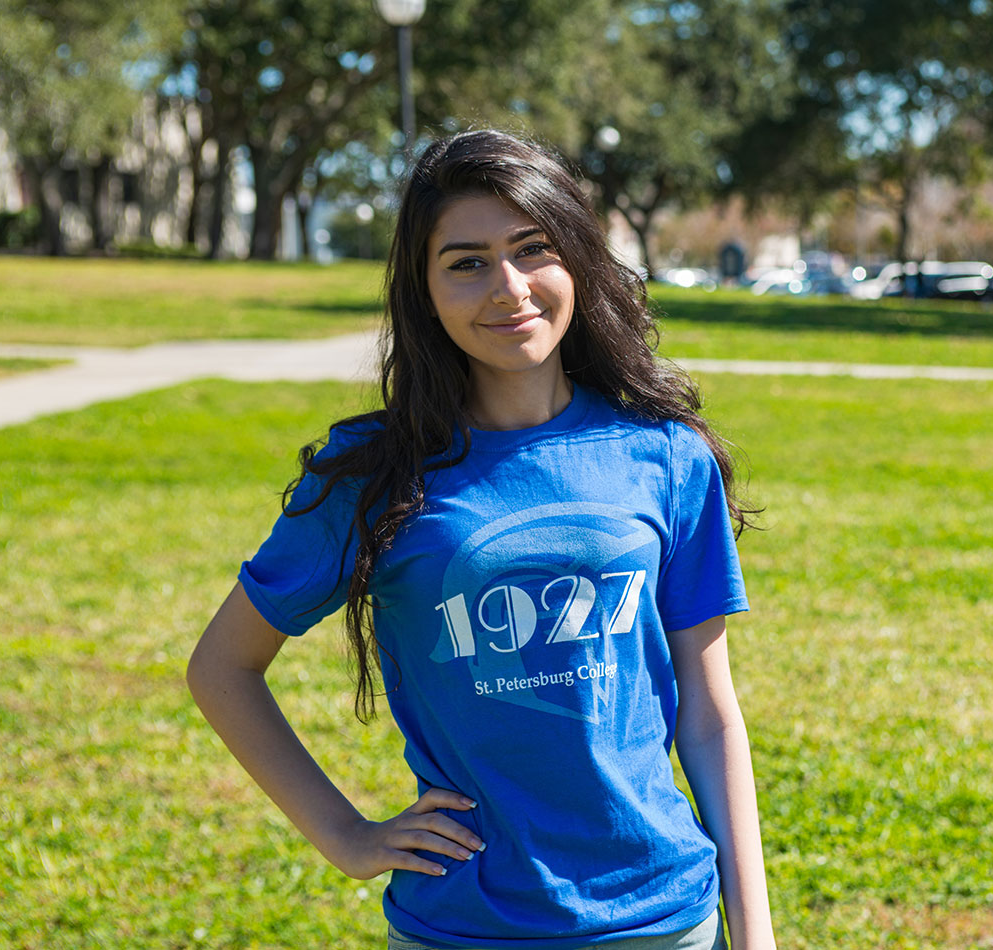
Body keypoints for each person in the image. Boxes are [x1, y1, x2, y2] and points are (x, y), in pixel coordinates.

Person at [187, 129, 776, 950]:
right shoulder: (371, 474)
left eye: (532, 249)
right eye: (466, 261)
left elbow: (710, 716)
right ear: (424, 291)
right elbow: (222, 666)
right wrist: (349, 837)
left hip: (663, 917)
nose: (509, 288)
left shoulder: (666, 455)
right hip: (465, 927)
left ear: (577, 259)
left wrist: (754, 931)